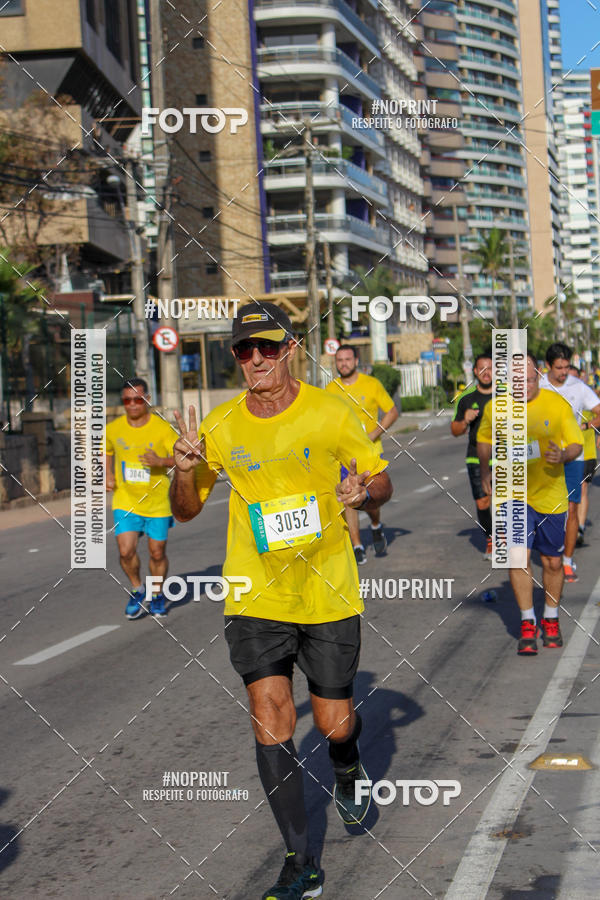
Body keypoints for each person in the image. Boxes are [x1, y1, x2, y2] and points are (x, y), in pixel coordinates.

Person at [169, 302, 392, 900]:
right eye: (245, 350)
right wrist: (184, 471)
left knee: (331, 720)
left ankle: (346, 761)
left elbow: (382, 480)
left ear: (290, 348)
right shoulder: (220, 425)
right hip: (253, 590)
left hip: (326, 587)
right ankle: (301, 861)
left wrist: (362, 489)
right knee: (270, 714)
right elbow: (184, 510)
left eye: (267, 347)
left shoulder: (331, 411)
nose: (257, 360)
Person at [477, 352, 582, 655]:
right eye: (515, 379)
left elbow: (574, 442)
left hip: (550, 496)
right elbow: (484, 439)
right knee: (517, 556)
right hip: (513, 495)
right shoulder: (497, 407)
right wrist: (485, 470)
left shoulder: (556, 404)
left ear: (539, 376)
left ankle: (550, 617)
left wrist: (563, 455)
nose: (522, 385)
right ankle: (527, 621)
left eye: (528, 378)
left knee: (551, 561)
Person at [104, 378, 177, 619]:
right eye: (127, 400)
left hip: (157, 502)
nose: (132, 405)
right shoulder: (113, 429)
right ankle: (137, 589)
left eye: (137, 399)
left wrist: (161, 461)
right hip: (126, 500)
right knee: (126, 551)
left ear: (147, 399)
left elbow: (180, 457)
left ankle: (156, 595)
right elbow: (107, 449)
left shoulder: (161, 428)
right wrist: (107, 474)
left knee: (157, 552)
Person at [325, 344, 398, 565]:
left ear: (356, 361)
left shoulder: (372, 384)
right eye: (339, 360)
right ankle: (357, 545)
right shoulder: (330, 390)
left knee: (370, 499)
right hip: (343, 456)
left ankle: (376, 526)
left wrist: (374, 433)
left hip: (369, 452)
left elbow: (392, 412)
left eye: (347, 359)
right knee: (349, 497)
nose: (343, 363)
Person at [539, 343, 600, 583]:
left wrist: (584, 426)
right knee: (545, 510)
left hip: (573, 455)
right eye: (559, 368)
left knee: (572, 508)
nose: (564, 372)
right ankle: (548, 554)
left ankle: (566, 561)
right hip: (543, 458)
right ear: (547, 366)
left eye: (566, 367)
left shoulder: (578, 386)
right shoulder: (538, 385)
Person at [450, 352, 493, 559]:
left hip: (504, 456)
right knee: (483, 502)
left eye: (491, 368)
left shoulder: (506, 397)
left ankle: (509, 538)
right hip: (476, 457)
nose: (487, 373)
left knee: (506, 502)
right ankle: (491, 539)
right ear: (475, 371)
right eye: (482, 369)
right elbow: (455, 430)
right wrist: (465, 420)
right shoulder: (467, 400)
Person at [569, 366, 600, 546]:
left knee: (582, 489)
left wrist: (589, 428)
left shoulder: (588, 397)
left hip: (586, 452)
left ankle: (579, 527)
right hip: (565, 454)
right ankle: (569, 525)